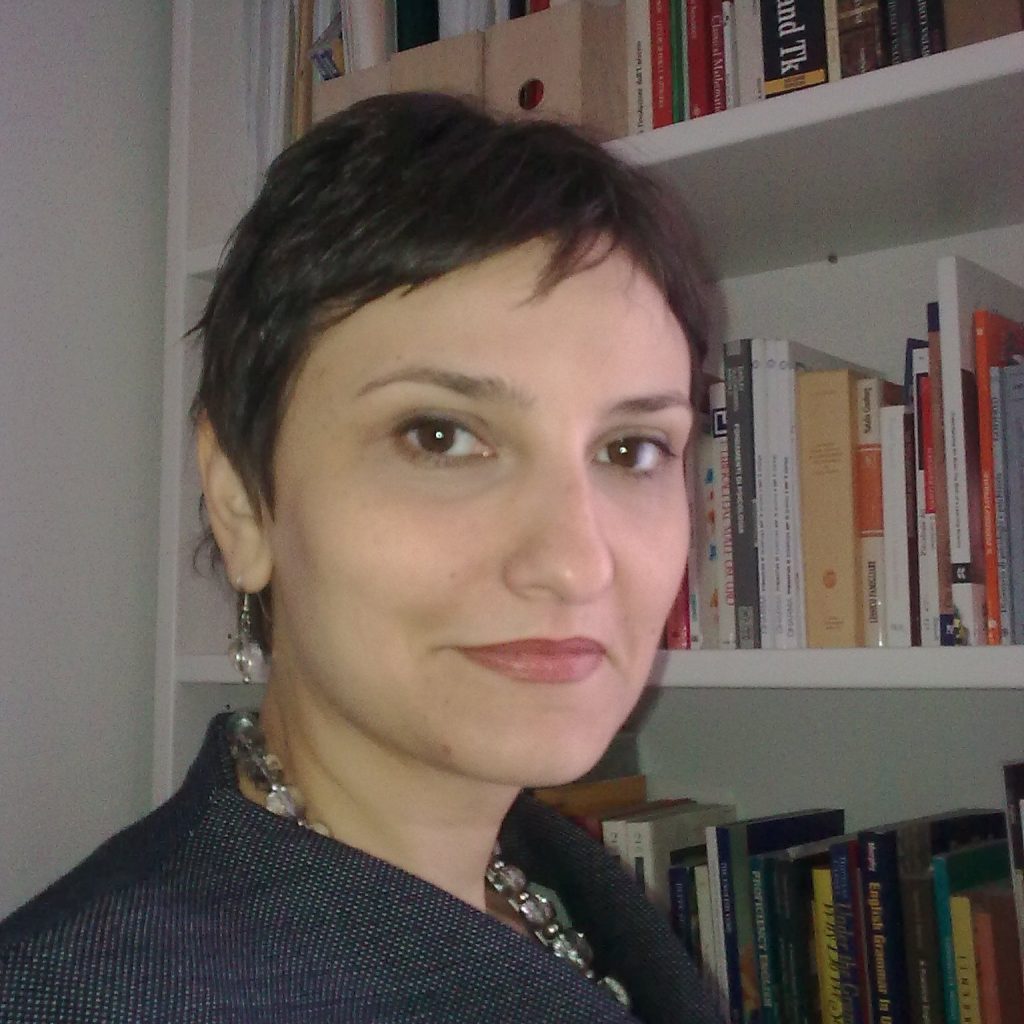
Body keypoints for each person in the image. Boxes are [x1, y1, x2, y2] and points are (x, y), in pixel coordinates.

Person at [0, 92, 722, 1024]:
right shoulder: (91, 996)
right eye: (439, 436)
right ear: (241, 501)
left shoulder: (565, 881)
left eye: (632, 450)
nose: (577, 564)